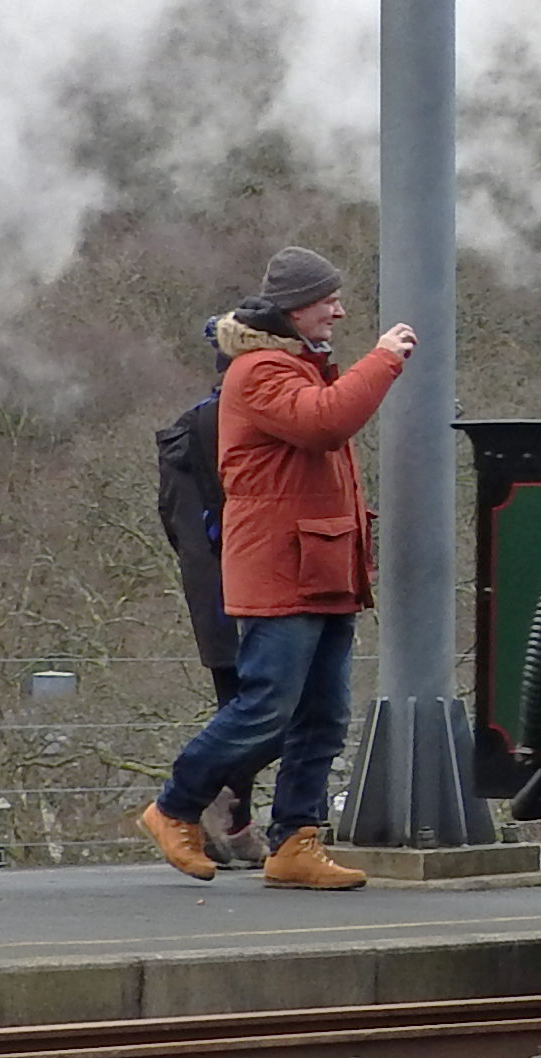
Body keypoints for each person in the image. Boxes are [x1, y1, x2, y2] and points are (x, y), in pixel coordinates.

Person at [136, 247, 415, 889]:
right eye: (329, 300)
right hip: (282, 570)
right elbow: (328, 423)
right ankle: (175, 805)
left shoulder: (294, 367)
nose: (339, 311)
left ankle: (295, 841)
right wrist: (384, 359)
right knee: (266, 707)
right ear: (295, 308)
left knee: (323, 717)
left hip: (323, 570)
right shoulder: (260, 371)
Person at [150, 316, 270, 866]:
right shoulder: (239, 424)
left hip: (213, 585)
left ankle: (232, 816)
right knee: (277, 711)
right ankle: (209, 804)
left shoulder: (186, 430)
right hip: (250, 582)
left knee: (243, 706)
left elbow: (173, 520)